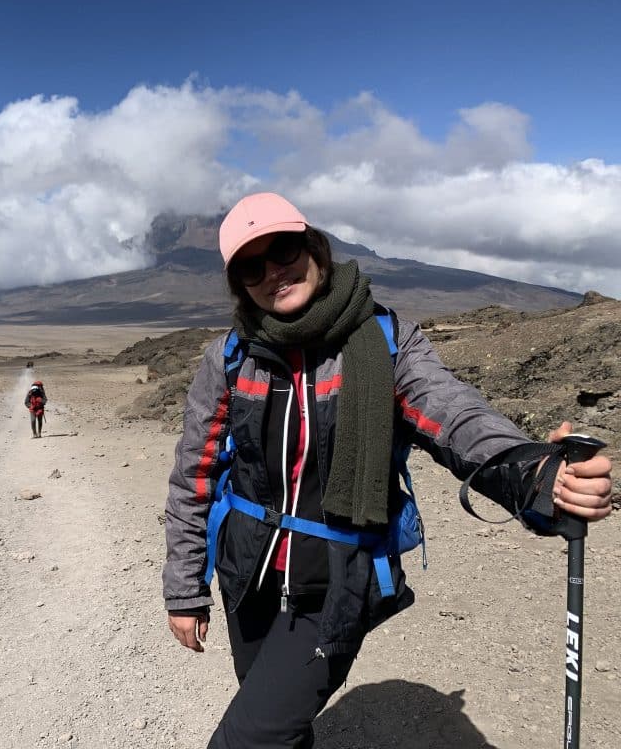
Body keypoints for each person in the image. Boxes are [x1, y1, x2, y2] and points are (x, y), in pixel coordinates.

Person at [162, 192, 614, 748]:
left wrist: (534, 473)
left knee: (247, 739)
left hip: (334, 582)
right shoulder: (230, 356)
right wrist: (185, 590)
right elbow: (196, 476)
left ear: (314, 249)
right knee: (277, 723)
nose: (272, 273)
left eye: (282, 250)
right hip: (246, 577)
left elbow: (453, 415)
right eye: (251, 268)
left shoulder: (385, 343)